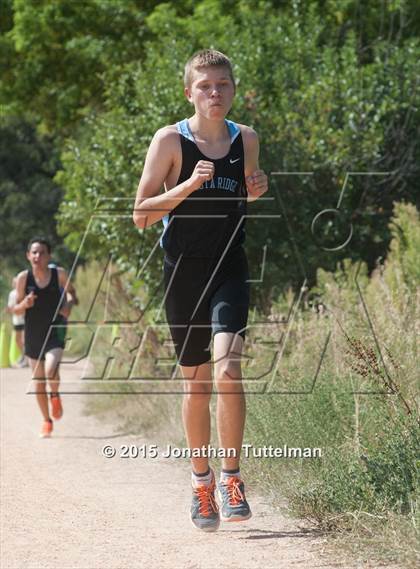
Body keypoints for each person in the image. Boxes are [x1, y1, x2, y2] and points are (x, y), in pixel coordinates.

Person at [133, 49, 268, 531]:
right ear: (189, 91)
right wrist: (188, 185)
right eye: (206, 85)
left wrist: (256, 187)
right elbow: (141, 214)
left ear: (233, 89)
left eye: (224, 84)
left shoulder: (245, 138)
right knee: (197, 383)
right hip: (184, 274)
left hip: (229, 266)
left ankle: (232, 478)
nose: (216, 93)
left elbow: (247, 193)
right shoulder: (170, 140)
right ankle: (201, 485)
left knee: (229, 370)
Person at [13, 237, 78, 438]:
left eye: (41, 252)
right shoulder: (23, 278)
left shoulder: (58, 274)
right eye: (34, 252)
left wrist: (68, 305)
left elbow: (72, 294)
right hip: (33, 334)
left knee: (50, 370)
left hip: (55, 331)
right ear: (28, 256)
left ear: (48, 256)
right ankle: (46, 421)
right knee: (38, 382)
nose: (37, 256)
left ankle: (55, 394)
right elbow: (15, 308)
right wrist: (25, 303)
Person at [7, 277, 27, 367]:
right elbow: (10, 307)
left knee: (24, 339)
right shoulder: (11, 294)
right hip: (16, 320)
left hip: (25, 319)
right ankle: (24, 355)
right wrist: (10, 310)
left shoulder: (24, 291)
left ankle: (26, 358)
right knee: (17, 340)